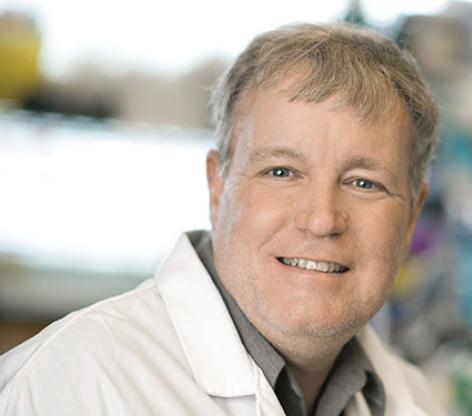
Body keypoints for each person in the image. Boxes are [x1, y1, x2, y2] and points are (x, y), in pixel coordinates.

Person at [0, 22, 441, 415]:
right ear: (218, 186)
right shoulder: (71, 386)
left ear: (411, 218)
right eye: (281, 172)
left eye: (364, 183)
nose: (322, 219)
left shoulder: (417, 399)